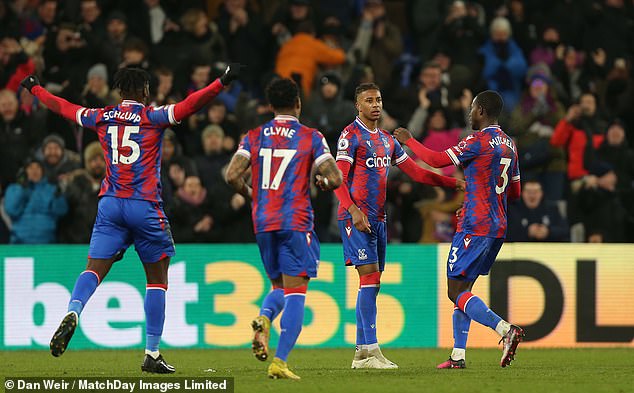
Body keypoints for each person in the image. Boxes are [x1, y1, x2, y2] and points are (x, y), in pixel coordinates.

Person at [19, 63, 241, 372]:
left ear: (119, 90)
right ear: (146, 91)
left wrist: (35, 89)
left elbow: (64, 108)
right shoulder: (152, 116)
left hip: (110, 204)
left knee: (94, 269)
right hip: (144, 205)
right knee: (157, 279)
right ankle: (152, 353)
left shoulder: (102, 116)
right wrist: (222, 81)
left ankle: (73, 310)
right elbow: (191, 105)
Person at [334, 83, 464, 370]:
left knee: (372, 282)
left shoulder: (385, 140)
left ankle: (361, 353)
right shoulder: (350, 135)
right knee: (370, 279)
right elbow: (338, 179)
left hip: (378, 219)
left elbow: (416, 172)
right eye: (368, 100)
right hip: (356, 217)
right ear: (358, 105)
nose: (375, 104)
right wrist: (353, 210)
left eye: (378, 99)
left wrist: (453, 182)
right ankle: (371, 351)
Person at [394, 90, 524, 369]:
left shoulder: (477, 140)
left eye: (472, 109)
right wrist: (483, 196)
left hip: (475, 224)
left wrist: (409, 141)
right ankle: (458, 356)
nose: (469, 114)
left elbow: (437, 160)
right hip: (497, 225)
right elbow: (515, 191)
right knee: (465, 290)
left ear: (480, 111)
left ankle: (505, 330)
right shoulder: (510, 145)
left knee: (455, 291)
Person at [225, 78, 342, 380]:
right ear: (298, 103)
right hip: (295, 221)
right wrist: (324, 182)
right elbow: (336, 177)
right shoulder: (311, 137)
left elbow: (232, 175)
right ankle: (280, 362)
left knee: (279, 286)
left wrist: (254, 196)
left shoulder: (253, 136)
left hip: (263, 222)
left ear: (271, 106)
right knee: (296, 292)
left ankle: (264, 319)